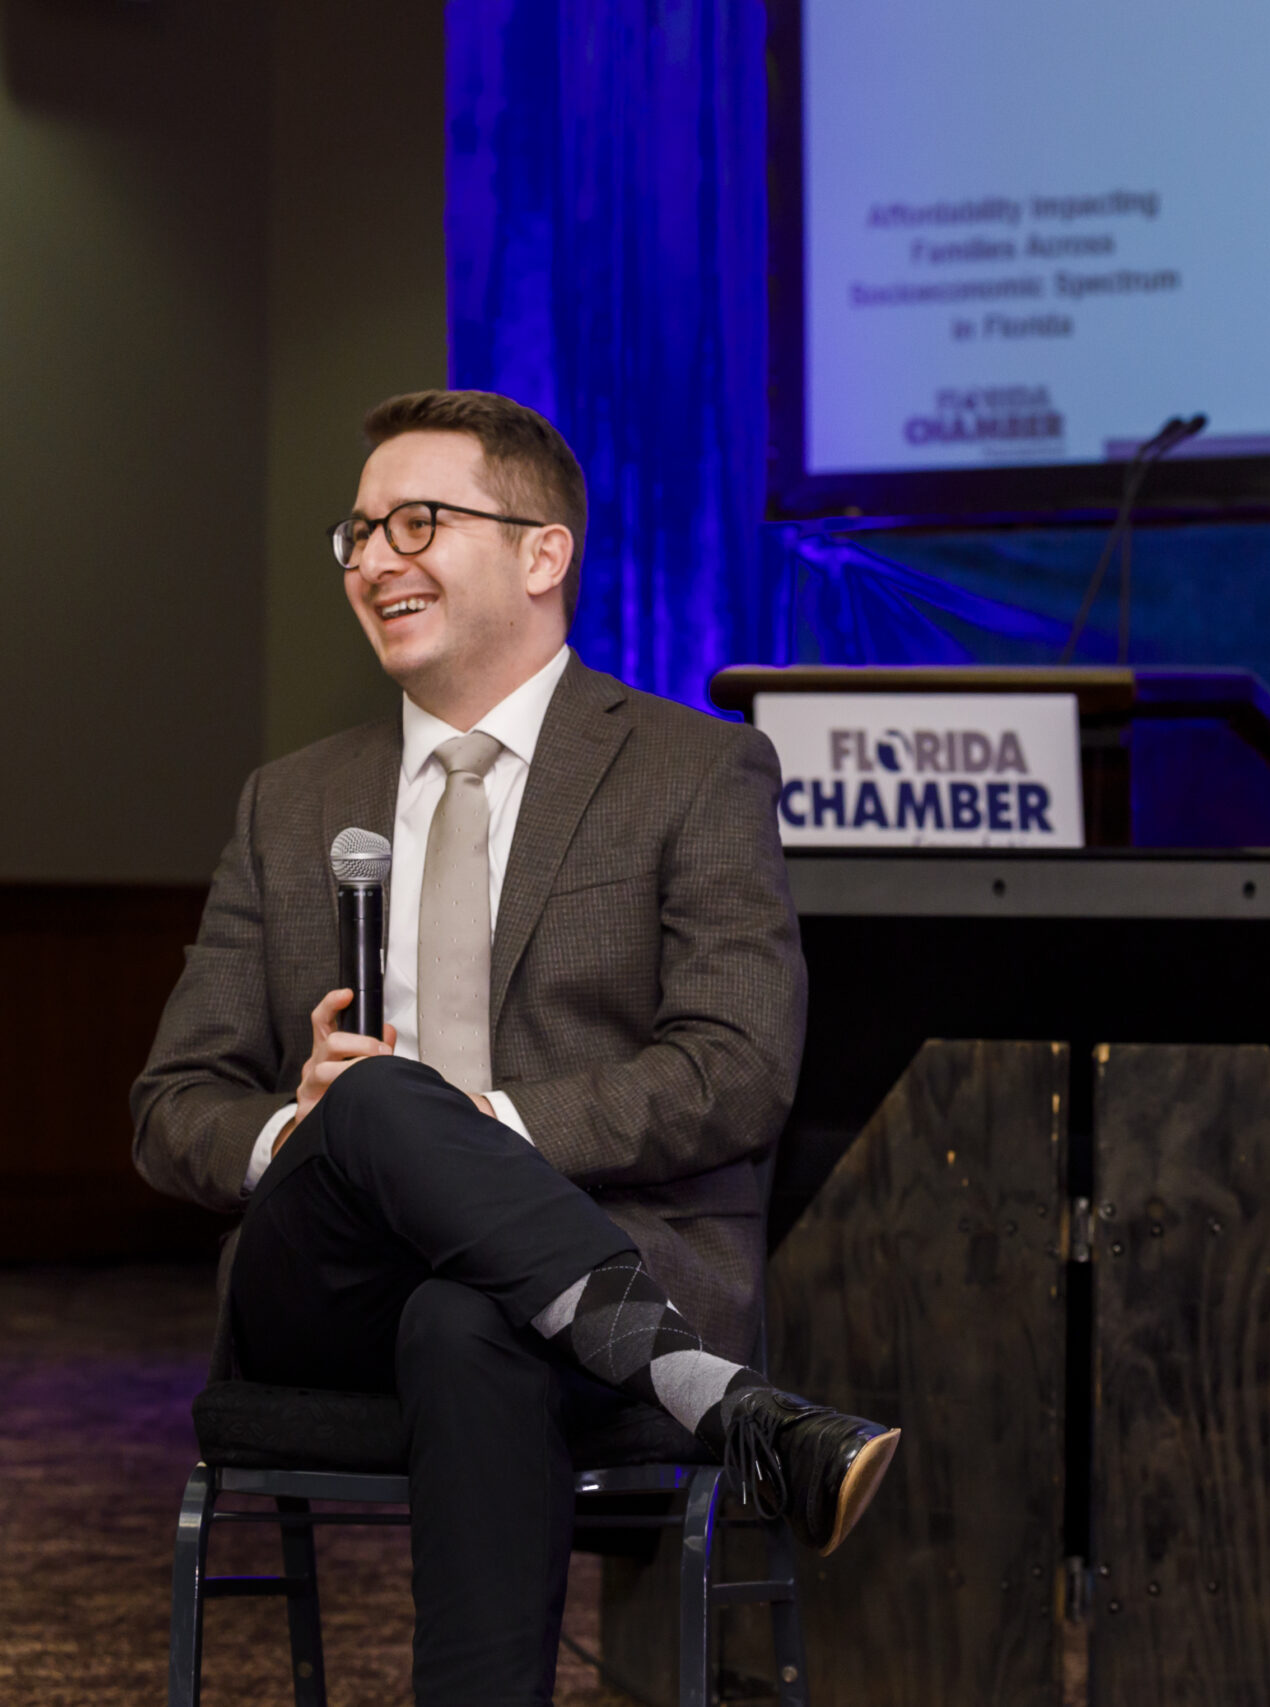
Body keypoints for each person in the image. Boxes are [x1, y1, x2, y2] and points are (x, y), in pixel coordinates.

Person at [132, 390, 899, 1706]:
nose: (373, 559)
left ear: (544, 553)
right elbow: (171, 1108)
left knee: (468, 1315)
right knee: (373, 1101)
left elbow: (737, 1067)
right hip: (326, 1287)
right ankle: (720, 1402)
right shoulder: (288, 803)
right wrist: (306, 1123)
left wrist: (483, 1131)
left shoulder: (694, 773)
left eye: (416, 522)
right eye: (359, 532)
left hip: (594, 1252)